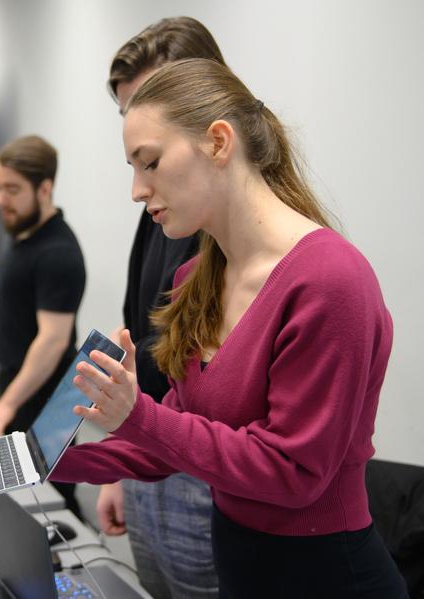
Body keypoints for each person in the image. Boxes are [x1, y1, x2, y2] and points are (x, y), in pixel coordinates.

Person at [51, 58, 407, 598]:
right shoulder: (200, 275)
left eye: (149, 163)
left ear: (218, 142)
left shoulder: (330, 281)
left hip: (325, 575)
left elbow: (292, 470)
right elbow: (175, 433)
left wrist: (137, 414)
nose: (136, 190)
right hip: (244, 565)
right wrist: (46, 462)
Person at [94, 17, 226, 599]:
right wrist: (121, 462)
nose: (140, 185)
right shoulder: (160, 212)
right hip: (149, 457)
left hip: (203, 476)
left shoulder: (233, 234)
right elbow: (138, 341)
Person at [0, 135, 86, 516]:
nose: (0, 200)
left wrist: (7, 403)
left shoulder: (58, 252)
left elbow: (52, 341)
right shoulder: (25, 237)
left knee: (53, 502)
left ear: (45, 188)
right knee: (25, 498)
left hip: (45, 397)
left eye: (12, 190)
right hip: (20, 389)